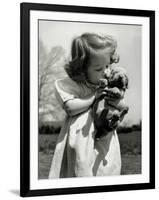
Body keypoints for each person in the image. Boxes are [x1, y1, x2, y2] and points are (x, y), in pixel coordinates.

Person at [49, 33, 124, 178]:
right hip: (81, 136)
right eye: (98, 69)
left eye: (107, 65)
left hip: (104, 135)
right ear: (81, 69)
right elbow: (70, 108)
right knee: (81, 167)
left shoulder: (106, 84)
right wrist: (94, 96)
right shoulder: (72, 84)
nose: (105, 72)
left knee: (105, 169)